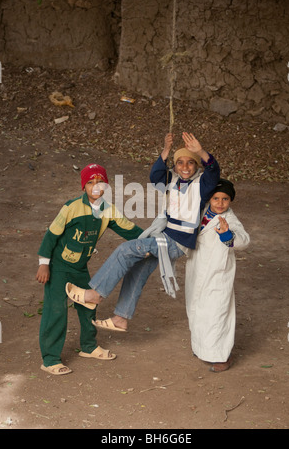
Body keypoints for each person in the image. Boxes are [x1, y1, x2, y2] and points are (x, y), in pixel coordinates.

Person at [65, 132, 220, 332]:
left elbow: (214, 172)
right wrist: (166, 150)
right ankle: (121, 317)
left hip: (176, 243)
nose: (185, 167)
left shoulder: (202, 186)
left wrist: (199, 151)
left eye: (190, 163)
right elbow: (155, 176)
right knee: (138, 268)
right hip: (165, 236)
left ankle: (95, 294)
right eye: (179, 162)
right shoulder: (172, 180)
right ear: (174, 166)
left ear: (197, 166)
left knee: (125, 250)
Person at [36, 163, 143, 375]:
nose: (96, 186)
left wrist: (155, 240)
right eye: (90, 182)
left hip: (79, 267)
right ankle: (50, 359)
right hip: (58, 267)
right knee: (56, 310)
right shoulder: (71, 207)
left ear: (106, 185)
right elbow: (51, 235)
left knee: (89, 304)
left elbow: (131, 230)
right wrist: (44, 264)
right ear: (83, 186)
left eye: (100, 182)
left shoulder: (108, 210)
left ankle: (89, 346)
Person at [185, 178, 250, 372]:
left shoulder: (229, 220)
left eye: (225, 199)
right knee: (196, 309)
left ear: (230, 201)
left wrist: (228, 235)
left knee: (217, 313)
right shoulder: (201, 211)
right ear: (209, 198)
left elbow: (244, 240)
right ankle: (201, 347)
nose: (220, 203)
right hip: (196, 268)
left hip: (218, 273)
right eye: (216, 198)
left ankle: (223, 356)